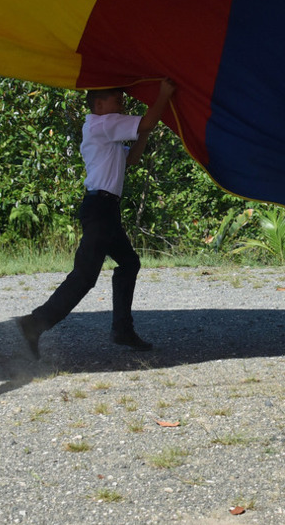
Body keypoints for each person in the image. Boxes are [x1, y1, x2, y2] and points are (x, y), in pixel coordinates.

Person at [17, 80, 175, 357]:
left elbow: (132, 158)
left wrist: (144, 131)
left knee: (129, 263)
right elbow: (146, 123)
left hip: (106, 209)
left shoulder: (104, 131)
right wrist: (164, 95)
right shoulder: (102, 124)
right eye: (117, 100)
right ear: (99, 105)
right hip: (99, 208)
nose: (122, 105)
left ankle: (122, 329)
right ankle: (35, 323)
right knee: (85, 276)